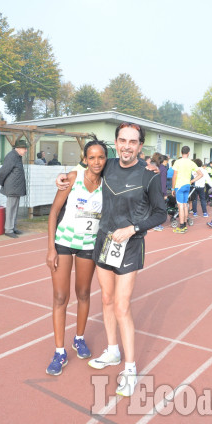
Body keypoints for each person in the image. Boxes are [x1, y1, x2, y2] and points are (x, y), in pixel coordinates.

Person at [56, 122, 166, 397]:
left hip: (130, 245)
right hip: (103, 242)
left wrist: (133, 228)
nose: (127, 146)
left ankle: (130, 369)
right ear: (116, 143)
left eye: (133, 141)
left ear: (141, 146)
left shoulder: (150, 175)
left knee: (121, 305)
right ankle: (113, 351)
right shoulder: (108, 165)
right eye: (122, 140)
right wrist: (61, 178)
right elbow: (85, 170)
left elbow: (160, 213)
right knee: (106, 299)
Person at [44, 137, 108, 375]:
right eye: (91, 157)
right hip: (63, 243)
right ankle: (59, 352)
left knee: (83, 293)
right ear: (84, 159)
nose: (96, 161)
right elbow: (54, 212)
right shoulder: (72, 179)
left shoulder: (107, 183)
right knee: (60, 296)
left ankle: (79, 338)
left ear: (105, 159)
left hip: (88, 246)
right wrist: (51, 248)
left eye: (101, 157)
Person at [0, 139, 28, 238]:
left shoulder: (16, 156)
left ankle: (13, 228)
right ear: (18, 148)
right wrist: (2, 183)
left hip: (15, 188)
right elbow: (3, 171)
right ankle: (8, 229)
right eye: (24, 148)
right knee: (11, 209)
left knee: (14, 208)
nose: (26, 150)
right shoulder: (12, 156)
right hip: (12, 188)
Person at [171, 146, 202, 233]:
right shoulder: (191, 162)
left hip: (179, 186)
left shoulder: (177, 162)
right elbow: (200, 174)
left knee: (180, 206)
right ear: (188, 153)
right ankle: (184, 225)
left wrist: (173, 188)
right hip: (187, 185)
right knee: (185, 205)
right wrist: (191, 181)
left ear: (181, 152)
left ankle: (181, 227)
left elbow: (174, 176)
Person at [152, 155, 169, 231]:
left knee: (154, 207)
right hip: (160, 190)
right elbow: (163, 182)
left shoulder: (156, 167)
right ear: (164, 161)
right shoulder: (163, 169)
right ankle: (157, 224)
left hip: (154, 189)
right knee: (160, 208)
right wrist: (165, 193)